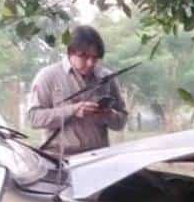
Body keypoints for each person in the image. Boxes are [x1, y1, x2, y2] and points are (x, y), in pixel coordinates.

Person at [26, 25, 127, 156]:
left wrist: (108, 114)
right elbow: (34, 119)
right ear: (70, 52)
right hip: (60, 160)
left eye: (95, 58)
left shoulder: (107, 78)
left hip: (98, 158)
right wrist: (72, 110)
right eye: (84, 56)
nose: (90, 63)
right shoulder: (48, 76)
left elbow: (121, 122)